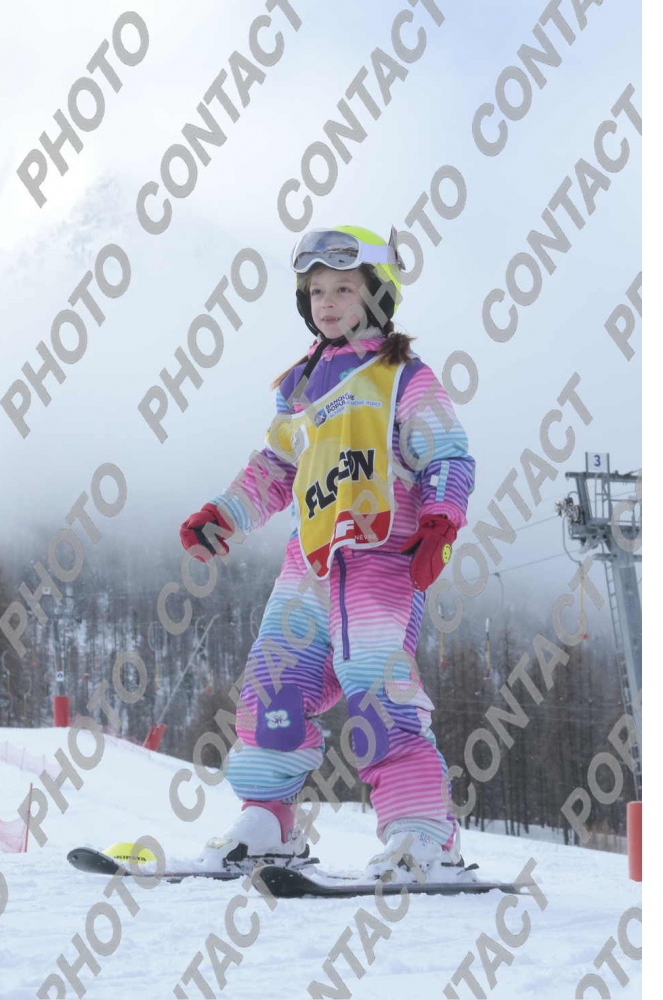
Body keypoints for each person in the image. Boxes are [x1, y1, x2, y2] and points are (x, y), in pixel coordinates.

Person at [179, 226, 475, 881]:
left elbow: (449, 454)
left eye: (343, 288)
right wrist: (223, 515)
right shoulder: (299, 387)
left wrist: (440, 521)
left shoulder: (404, 377)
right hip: (311, 562)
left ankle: (424, 833)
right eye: (316, 291)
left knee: (376, 690)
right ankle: (267, 822)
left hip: (383, 558)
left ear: (377, 296)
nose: (328, 302)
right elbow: (276, 467)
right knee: (272, 687)